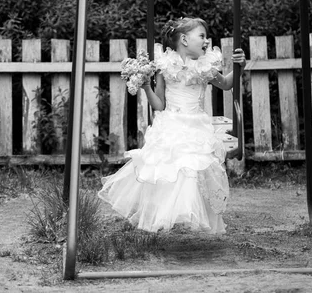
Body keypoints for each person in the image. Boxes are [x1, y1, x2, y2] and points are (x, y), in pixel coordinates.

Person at [98, 16, 246, 234]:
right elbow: (159, 105)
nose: (206, 41)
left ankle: (189, 212)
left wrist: (239, 66)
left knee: (193, 167)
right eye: (202, 36)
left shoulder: (205, 67)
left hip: (196, 125)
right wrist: (146, 86)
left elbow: (225, 84)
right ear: (184, 39)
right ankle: (167, 214)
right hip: (171, 123)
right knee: (168, 169)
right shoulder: (166, 67)